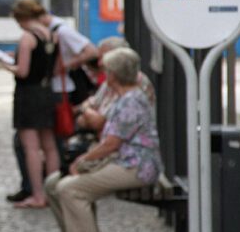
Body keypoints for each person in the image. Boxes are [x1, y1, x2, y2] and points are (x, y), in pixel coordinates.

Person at [47, 48, 163, 232]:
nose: (104, 74)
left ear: (114, 75)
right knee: (54, 183)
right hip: (123, 161)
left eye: (107, 71)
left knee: (70, 190)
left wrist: (83, 160)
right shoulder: (124, 96)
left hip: (135, 166)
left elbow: (111, 144)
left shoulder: (130, 101)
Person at [2, 0, 60, 208]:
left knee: (32, 148)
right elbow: (52, 70)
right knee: (50, 147)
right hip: (47, 93)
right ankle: (54, 193)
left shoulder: (27, 37)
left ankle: (38, 196)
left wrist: (10, 66)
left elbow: (23, 71)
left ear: (22, 18)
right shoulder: (52, 35)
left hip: (28, 95)